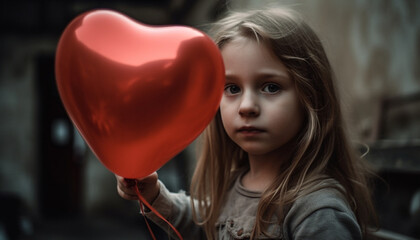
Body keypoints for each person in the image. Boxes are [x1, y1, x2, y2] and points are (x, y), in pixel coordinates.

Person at [116, 7, 377, 239]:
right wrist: (154, 196)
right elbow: (205, 225)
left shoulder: (318, 212)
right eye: (231, 88)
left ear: (311, 96)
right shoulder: (235, 183)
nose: (247, 106)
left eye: (271, 87)